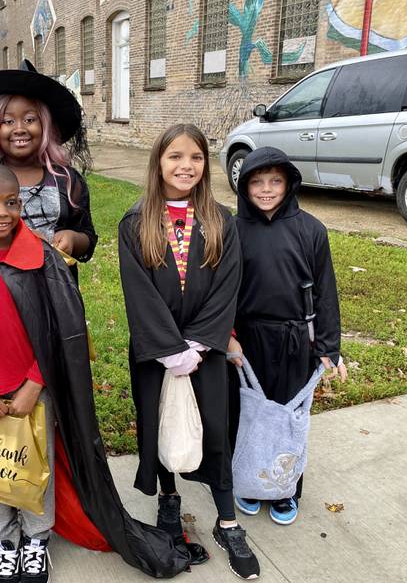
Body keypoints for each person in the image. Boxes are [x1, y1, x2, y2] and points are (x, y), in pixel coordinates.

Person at [0, 164, 191, 583]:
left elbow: (60, 331)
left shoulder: (41, 258)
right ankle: (5, 541)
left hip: (34, 388)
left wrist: (35, 383)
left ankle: (36, 540)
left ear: (20, 205)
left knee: (36, 465)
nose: (1, 212)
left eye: (10, 203)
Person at [118, 124, 260, 580]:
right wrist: (170, 350)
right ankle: (168, 501)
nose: (186, 166)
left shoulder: (221, 221)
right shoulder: (135, 223)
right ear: (158, 162)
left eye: (196, 157)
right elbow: (138, 292)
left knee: (215, 428)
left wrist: (198, 343)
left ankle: (227, 520)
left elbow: (228, 286)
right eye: (175, 156)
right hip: (155, 350)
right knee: (160, 422)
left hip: (207, 349)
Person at [227, 146, 347, 526]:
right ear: (244, 187)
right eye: (257, 182)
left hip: (295, 340)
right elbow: (221, 291)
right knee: (247, 415)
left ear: (289, 183)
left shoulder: (311, 230)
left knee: (288, 417)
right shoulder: (233, 230)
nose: (266, 190)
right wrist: (226, 337)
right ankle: (249, 481)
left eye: (275, 181)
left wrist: (328, 347)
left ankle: (285, 489)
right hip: (247, 340)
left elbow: (325, 292)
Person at [0, 60, 97, 271]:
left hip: (55, 284)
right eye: (8, 121)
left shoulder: (65, 180)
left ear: (45, 125)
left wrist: (74, 239)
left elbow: (87, 236)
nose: (19, 128)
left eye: (30, 119)